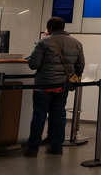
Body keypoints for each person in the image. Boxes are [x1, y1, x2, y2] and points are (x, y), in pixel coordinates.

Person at [25, 16, 85, 157]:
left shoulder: (44, 42)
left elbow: (34, 64)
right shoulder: (76, 43)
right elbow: (80, 65)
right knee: (58, 115)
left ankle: (33, 148)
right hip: (62, 85)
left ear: (49, 28)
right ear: (63, 27)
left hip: (44, 85)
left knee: (39, 115)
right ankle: (56, 147)